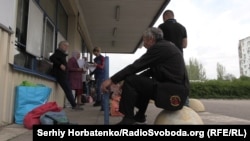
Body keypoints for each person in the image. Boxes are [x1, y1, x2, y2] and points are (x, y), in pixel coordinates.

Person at [101, 27, 189, 125]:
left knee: (131, 80)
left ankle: (128, 120)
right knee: (137, 82)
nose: (143, 45)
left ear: (151, 39)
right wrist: (124, 83)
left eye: (144, 41)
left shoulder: (159, 48)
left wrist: (112, 80)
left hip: (172, 92)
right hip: (174, 90)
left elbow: (136, 66)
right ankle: (140, 116)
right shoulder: (165, 46)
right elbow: (150, 71)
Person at [158, 9, 190, 106]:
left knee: (167, 82)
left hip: (166, 60)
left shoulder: (161, 27)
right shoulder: (182, 28)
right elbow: (184, 45)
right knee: (182, 81)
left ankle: (169, 104)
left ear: (165, 17)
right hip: (179, 59)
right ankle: (185, 105)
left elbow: (158, 43)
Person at [49, 41, 83, 110]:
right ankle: (74, 105)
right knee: (68, 89)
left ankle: (74, 104)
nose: (66, 47)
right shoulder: (58, 52)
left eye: (67, 46)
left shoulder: (62, 54)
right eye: (65, 45)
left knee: (68, 90)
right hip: (59, 74)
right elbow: (51, 58)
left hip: (63, 74)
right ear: (60, 45)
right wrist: (60, 65)